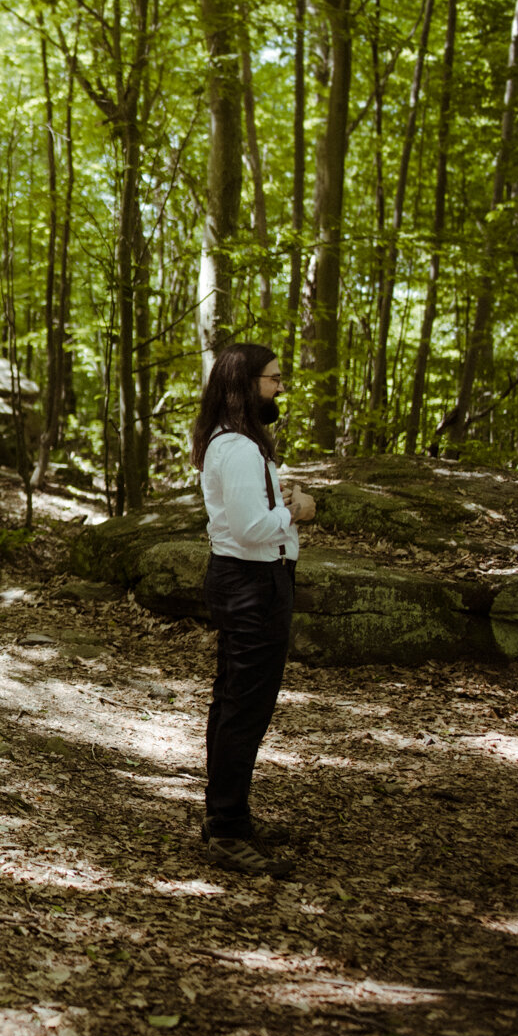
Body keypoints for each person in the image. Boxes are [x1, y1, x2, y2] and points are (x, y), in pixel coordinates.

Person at [190, 342, 314, 877]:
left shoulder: (235, 443)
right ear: (246, 385)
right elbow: (250, 528)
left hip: (249, 580)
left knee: (234, 700)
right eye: (272, 379)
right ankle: (227, 829)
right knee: (245, 706)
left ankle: (229, 814)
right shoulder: (237, 448)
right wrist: (297, 511)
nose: (280, 386)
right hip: (252, 584)